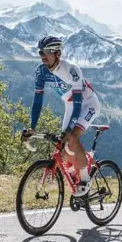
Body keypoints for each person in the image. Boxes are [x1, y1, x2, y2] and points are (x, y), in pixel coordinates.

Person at [23, 36, 100, 197]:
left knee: (71, 138)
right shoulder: (41, 71)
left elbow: (79, 103)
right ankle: (77, 166)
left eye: (46, 52)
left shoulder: (72, 70)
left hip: (88, 104)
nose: (42, 56)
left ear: (57, 53)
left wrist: (71, 130)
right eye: (40, 52)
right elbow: (38, 101)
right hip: (70, 105)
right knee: (62, 146)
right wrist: (32, 127)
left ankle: (85, 180)